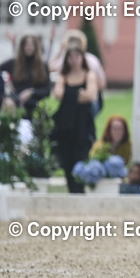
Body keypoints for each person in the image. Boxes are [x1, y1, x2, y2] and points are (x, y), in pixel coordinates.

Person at [52, 46, 99, 193]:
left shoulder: (89, 75)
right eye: (71, 57)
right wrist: (78, 94)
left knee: (81, 157)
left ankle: (80, 189)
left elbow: (91, 95)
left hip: (82, 124)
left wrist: (69, 95)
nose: (74, 60)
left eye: (77, 56)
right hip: (65, 124)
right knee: (66, 158)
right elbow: (58, 94)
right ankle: (71, 189)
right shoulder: (63, 76)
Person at [0, 34, 51, 119]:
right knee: (8, 102)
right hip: (16, 101)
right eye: (26, 44)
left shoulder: (43, 65)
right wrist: (6, 80)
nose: (29, 47)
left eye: (32, 44)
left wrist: (32, 92)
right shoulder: (14, 63)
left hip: (35, 103)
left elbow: (47, 90)